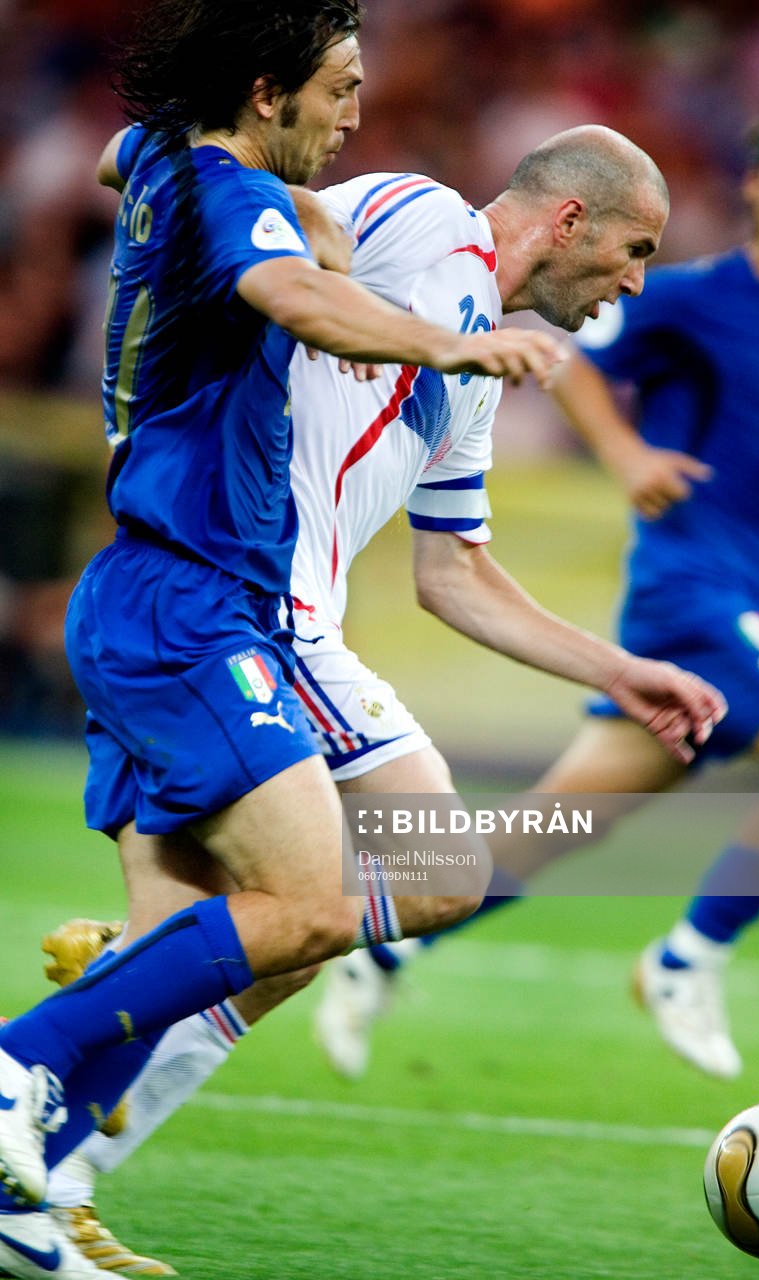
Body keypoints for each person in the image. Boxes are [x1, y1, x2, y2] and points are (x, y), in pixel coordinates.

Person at [34, 126, 727, 1275]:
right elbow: (271, 211)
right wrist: (151, 155)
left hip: (309, 627)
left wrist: (615, 669)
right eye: (633, 249)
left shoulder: (474, 374)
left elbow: (449, 571)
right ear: (566, 222)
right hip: (244, 597)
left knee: (294, 942)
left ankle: (68, 1153)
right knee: (431, 870)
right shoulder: (417, 219)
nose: (635, 280)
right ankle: (135, 977)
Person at [0, 2, 569, 1276]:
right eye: (338, 88)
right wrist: (448, 341)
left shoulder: (161, 159)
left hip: (168, 589)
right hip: (200, 596)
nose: (354, 115)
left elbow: (117, 159)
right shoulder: (230, 191)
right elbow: (283, 292)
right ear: (267, 92)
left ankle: (37, 1188)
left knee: (227, 932)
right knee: (313, 903)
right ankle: (24, 1059)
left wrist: (297, 220)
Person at [310, 103, 759, 1087]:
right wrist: (624, 453)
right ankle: (686, 960)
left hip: (753, 609)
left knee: (547, 824)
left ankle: (378, 942)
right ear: (755, 188)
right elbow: (572, 361)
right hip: (688, 592)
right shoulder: (693, 297)